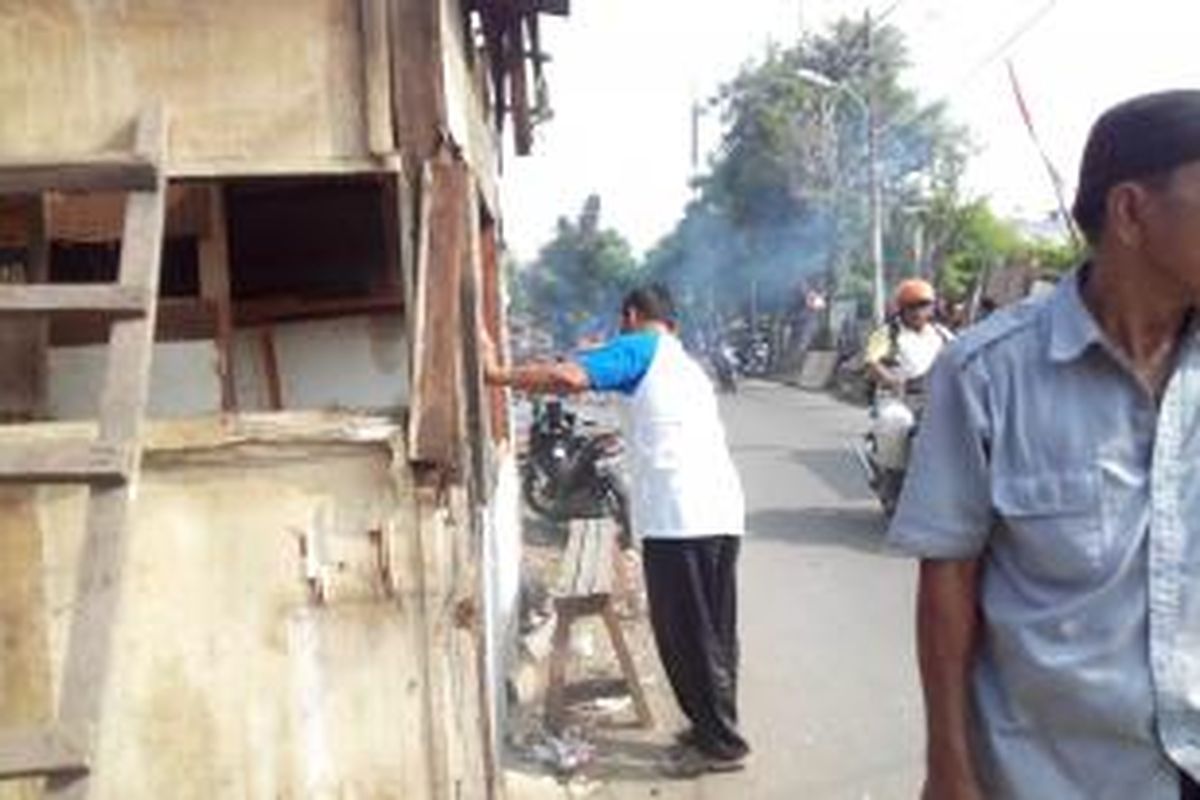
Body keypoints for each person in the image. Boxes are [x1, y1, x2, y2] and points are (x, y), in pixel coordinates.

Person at [888, 90, 1200, 800]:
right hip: (1058, 776)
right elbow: (948, 580)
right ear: (1130, 210)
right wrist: (948, 766)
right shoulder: (984, 372)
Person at [482, 284, 750, 776]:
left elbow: (569, 377)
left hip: (681, 516)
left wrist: (497, 375)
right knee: (713, 629)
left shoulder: (638, 346)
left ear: (630, 315)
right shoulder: (681, 360)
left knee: (685, 632)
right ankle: (714, 726)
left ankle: (721, 744)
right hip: (718, 510)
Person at [862, 278, 953, 497]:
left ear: (932, 307)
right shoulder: (888, 333)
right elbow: (872, 363)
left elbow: (963, 354)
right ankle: (893, 480)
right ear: (901, 308)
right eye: (911, 306)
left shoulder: (941, 334)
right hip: (898, 397)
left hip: (936, 397)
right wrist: (891, 379)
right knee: (896, 422)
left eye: (923, 305)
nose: (917, 311)